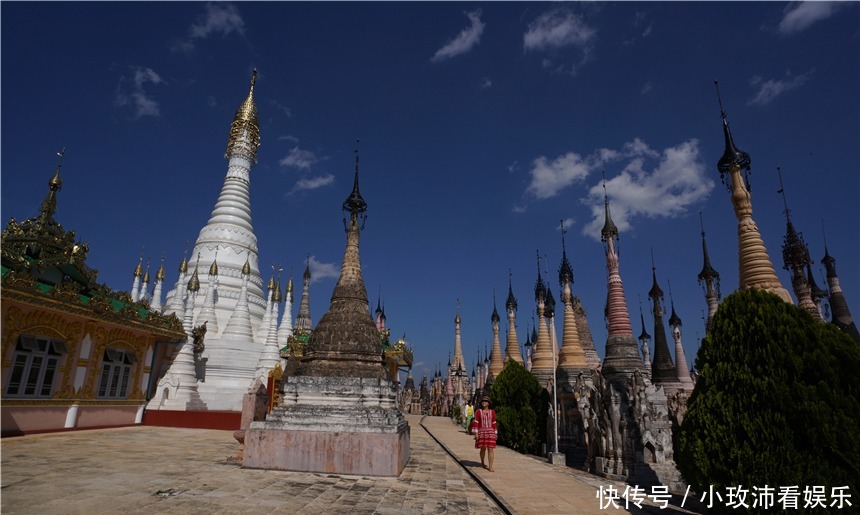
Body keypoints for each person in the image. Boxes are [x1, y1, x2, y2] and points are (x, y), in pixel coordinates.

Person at [470, 396, 498, 471]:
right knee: (483, 449)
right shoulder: (478, 412)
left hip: (490, 432)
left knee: (490, 449)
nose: (483, 402)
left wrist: (495, 433)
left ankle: (490, 467)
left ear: (488, 403)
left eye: (485, 401)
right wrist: (476, 433)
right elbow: (476, 422)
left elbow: (494, 422)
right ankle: (482, 461)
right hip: (482, 432)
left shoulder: (492, 412)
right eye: (482, 401)